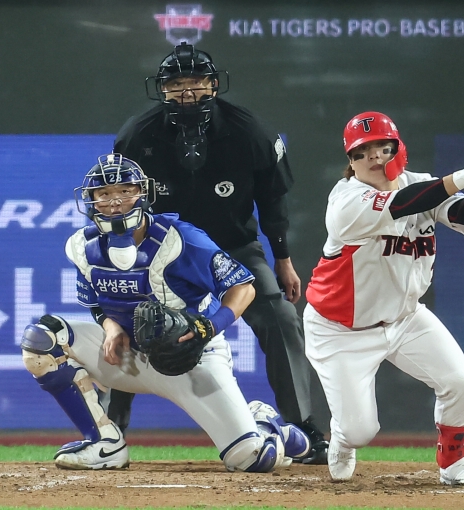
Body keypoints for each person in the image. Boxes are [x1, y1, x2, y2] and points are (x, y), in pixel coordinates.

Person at [108, 42, 328, 464]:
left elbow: (273, 199)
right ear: (162, 90)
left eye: (196, 83)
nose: (186, 93)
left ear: (213, 85)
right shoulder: (137, 135)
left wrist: (281, 258)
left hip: (234, 248)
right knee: (136, 318)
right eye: (175, 85)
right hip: (163, 251)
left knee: (281, 317)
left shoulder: (252, 132)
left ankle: (301, 424)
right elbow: (123, 200)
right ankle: (112, 427)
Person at [20, 154, 311, 471]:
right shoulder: (81, 246)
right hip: (129, 356)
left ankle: (266, 424)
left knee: (253, 459)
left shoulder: (180, 238)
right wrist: (111, 327)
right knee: (43, 341)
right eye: (104, 194)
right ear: (90, 202)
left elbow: (244, 288)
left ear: (143, 193)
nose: (115, 201)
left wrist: (208, 329)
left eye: (125, 190)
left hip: (191, 356)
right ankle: (104, 443)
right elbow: (95, 303)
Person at [303, 112, 464, 484]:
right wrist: (462, 176)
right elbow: (403, 203)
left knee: (460, 383)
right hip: (341, 329)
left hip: (405, 317)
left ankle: (455, 463)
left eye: (382, 146)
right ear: (350, 162)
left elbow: (461, 216)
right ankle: (343, 436)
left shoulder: (421, 183)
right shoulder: (346, 202)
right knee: (361, 430)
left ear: (398, 147)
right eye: (362, 153)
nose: (375, 157)